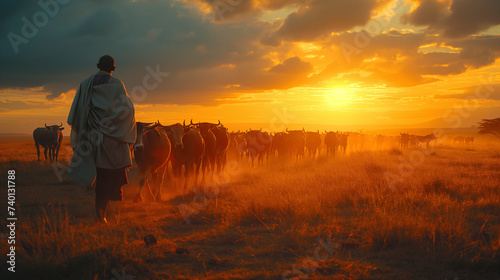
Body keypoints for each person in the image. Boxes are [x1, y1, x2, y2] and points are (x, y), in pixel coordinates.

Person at [67, 55, 136, 224]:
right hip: (111, 143)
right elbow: (125, 112)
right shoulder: (117, 85)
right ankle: (101, 215)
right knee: (107, 178)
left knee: (98, 176)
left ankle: (99, 213)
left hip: (89, 139)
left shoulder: (85, 84)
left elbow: (76, 112)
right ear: (113, 68)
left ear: (98, 66)